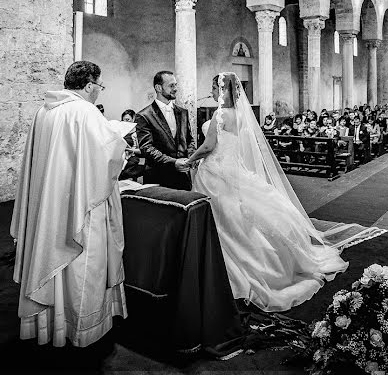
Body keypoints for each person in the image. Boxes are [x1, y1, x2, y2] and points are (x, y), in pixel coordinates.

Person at [187, 73, 348, 312]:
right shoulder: (239, 114)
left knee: (225, 220)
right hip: (233, 169)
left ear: (222, 90)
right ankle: (270, 262)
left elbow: (210, 146)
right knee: (238, 217)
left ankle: (233, 268)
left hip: (216, 172)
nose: (211, 93)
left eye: (213, 88)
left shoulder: (219, 114)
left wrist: (189, 159)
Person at [10, 61, 130, 347]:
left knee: (50, 251)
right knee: (83, 263)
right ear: (89, 85)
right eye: (99, 87)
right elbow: (105, 157)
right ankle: (82, 326)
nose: (99, 92)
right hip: (80, 204)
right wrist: (121, 143)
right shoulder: (85, 111)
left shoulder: (44, 111)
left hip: (49, 205)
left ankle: (49, 323)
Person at [133, 71, 194, 190]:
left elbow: (189, 139)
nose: (176, 89)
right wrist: (173, 163)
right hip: (158, 177)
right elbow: (146, 148)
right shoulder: (144, 115)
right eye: (171, 85)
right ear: (158, 88)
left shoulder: (183, 112)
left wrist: (191, 158)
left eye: (176, 85)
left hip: (183, 178)